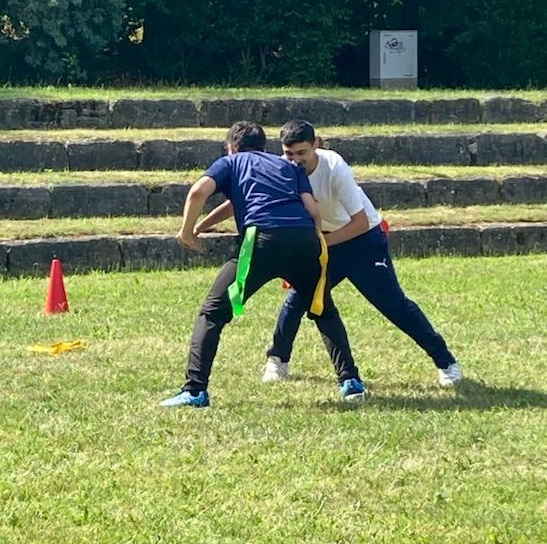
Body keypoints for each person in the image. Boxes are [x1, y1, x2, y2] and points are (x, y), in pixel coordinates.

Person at [160, 121, 366, 407]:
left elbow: (197, 192)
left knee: (212, 313)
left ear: (231, 147)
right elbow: (313, 211)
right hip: (305, 238)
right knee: (323, 310)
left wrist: (187, 233)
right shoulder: (289, 167)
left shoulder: (230, 162)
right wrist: (309, 248)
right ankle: (351, 381)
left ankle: (195, 390)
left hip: (260, 241)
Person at [262, 119, 463, 387]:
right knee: (298, 300)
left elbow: (360, 222)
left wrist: (320, 245)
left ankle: (446, 362)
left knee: (393, 304)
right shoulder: (282, 170)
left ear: (316, 145)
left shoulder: (334, 166)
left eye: (302, 153)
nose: (296, 161)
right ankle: (277, 359)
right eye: (289, 154)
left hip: (363, 240)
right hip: (326, 241)